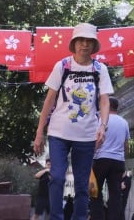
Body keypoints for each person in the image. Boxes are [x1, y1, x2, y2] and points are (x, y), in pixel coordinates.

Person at [34, 23, 114, 220]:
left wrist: (103, 126)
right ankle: (56, 217)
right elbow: (49, 99)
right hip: (58, 133)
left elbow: (104, 99)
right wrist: (39, 132)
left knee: (81, 184)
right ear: (74, 44)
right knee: (57, 178)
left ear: (94, 45)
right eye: (81, 41)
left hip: (86, 135)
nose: (84, 45)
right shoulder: (62, 66)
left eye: (89, 41)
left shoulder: (99, 69)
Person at [92, 96, 130, 220]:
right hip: (118, 161)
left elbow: (97, 141)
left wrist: (91, 155)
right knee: (115, 194)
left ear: (106, 105)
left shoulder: (101, 121)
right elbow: (126, 146)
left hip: (101, 159)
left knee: (95, 192)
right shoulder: (124, 122)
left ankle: (98, 217)